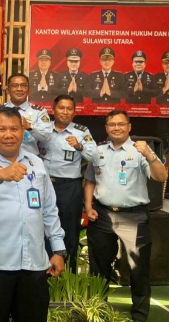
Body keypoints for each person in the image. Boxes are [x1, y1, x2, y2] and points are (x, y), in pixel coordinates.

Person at [0, 107, 66, 322]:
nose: (9, 135)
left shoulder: (35, 163)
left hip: (34, 264)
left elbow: (48, 208)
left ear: (23, 132)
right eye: (1, 129)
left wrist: (58, 249)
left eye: (14, 129)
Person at [84, 110, 167, 322]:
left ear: (129, 127)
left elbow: (161, 176)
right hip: (102, 214)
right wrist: (88, 205)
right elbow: (91, 180)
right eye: (112, 124)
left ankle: (139, 316)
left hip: (134, 217)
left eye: (121, 124)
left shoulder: (140, 150)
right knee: (99, 268)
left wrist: (150, 155)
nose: (116, 128)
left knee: (139, 270)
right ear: (106, 128)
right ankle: (98, 311)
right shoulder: (98, 151)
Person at [38, 95, 99, 273]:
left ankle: (68, 277)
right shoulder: (43, 129)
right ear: (53, 109)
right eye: (61, 108)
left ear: (74, 111)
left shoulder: (81, 132)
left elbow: (94, 157)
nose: (65, 112)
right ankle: (42, 274)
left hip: (69, 187)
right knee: (40, 229)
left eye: (69, 108)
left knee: (69, 231)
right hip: (43, 185)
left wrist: (80, 146)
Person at [3, 74, 51, 156]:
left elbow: (47, 136)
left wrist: (29, 126)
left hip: (29, 160)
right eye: (15, 86)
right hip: (3, 159)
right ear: (8, 90)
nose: (19, 89)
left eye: (23, 85)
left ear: (28, 89)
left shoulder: (39, 111)